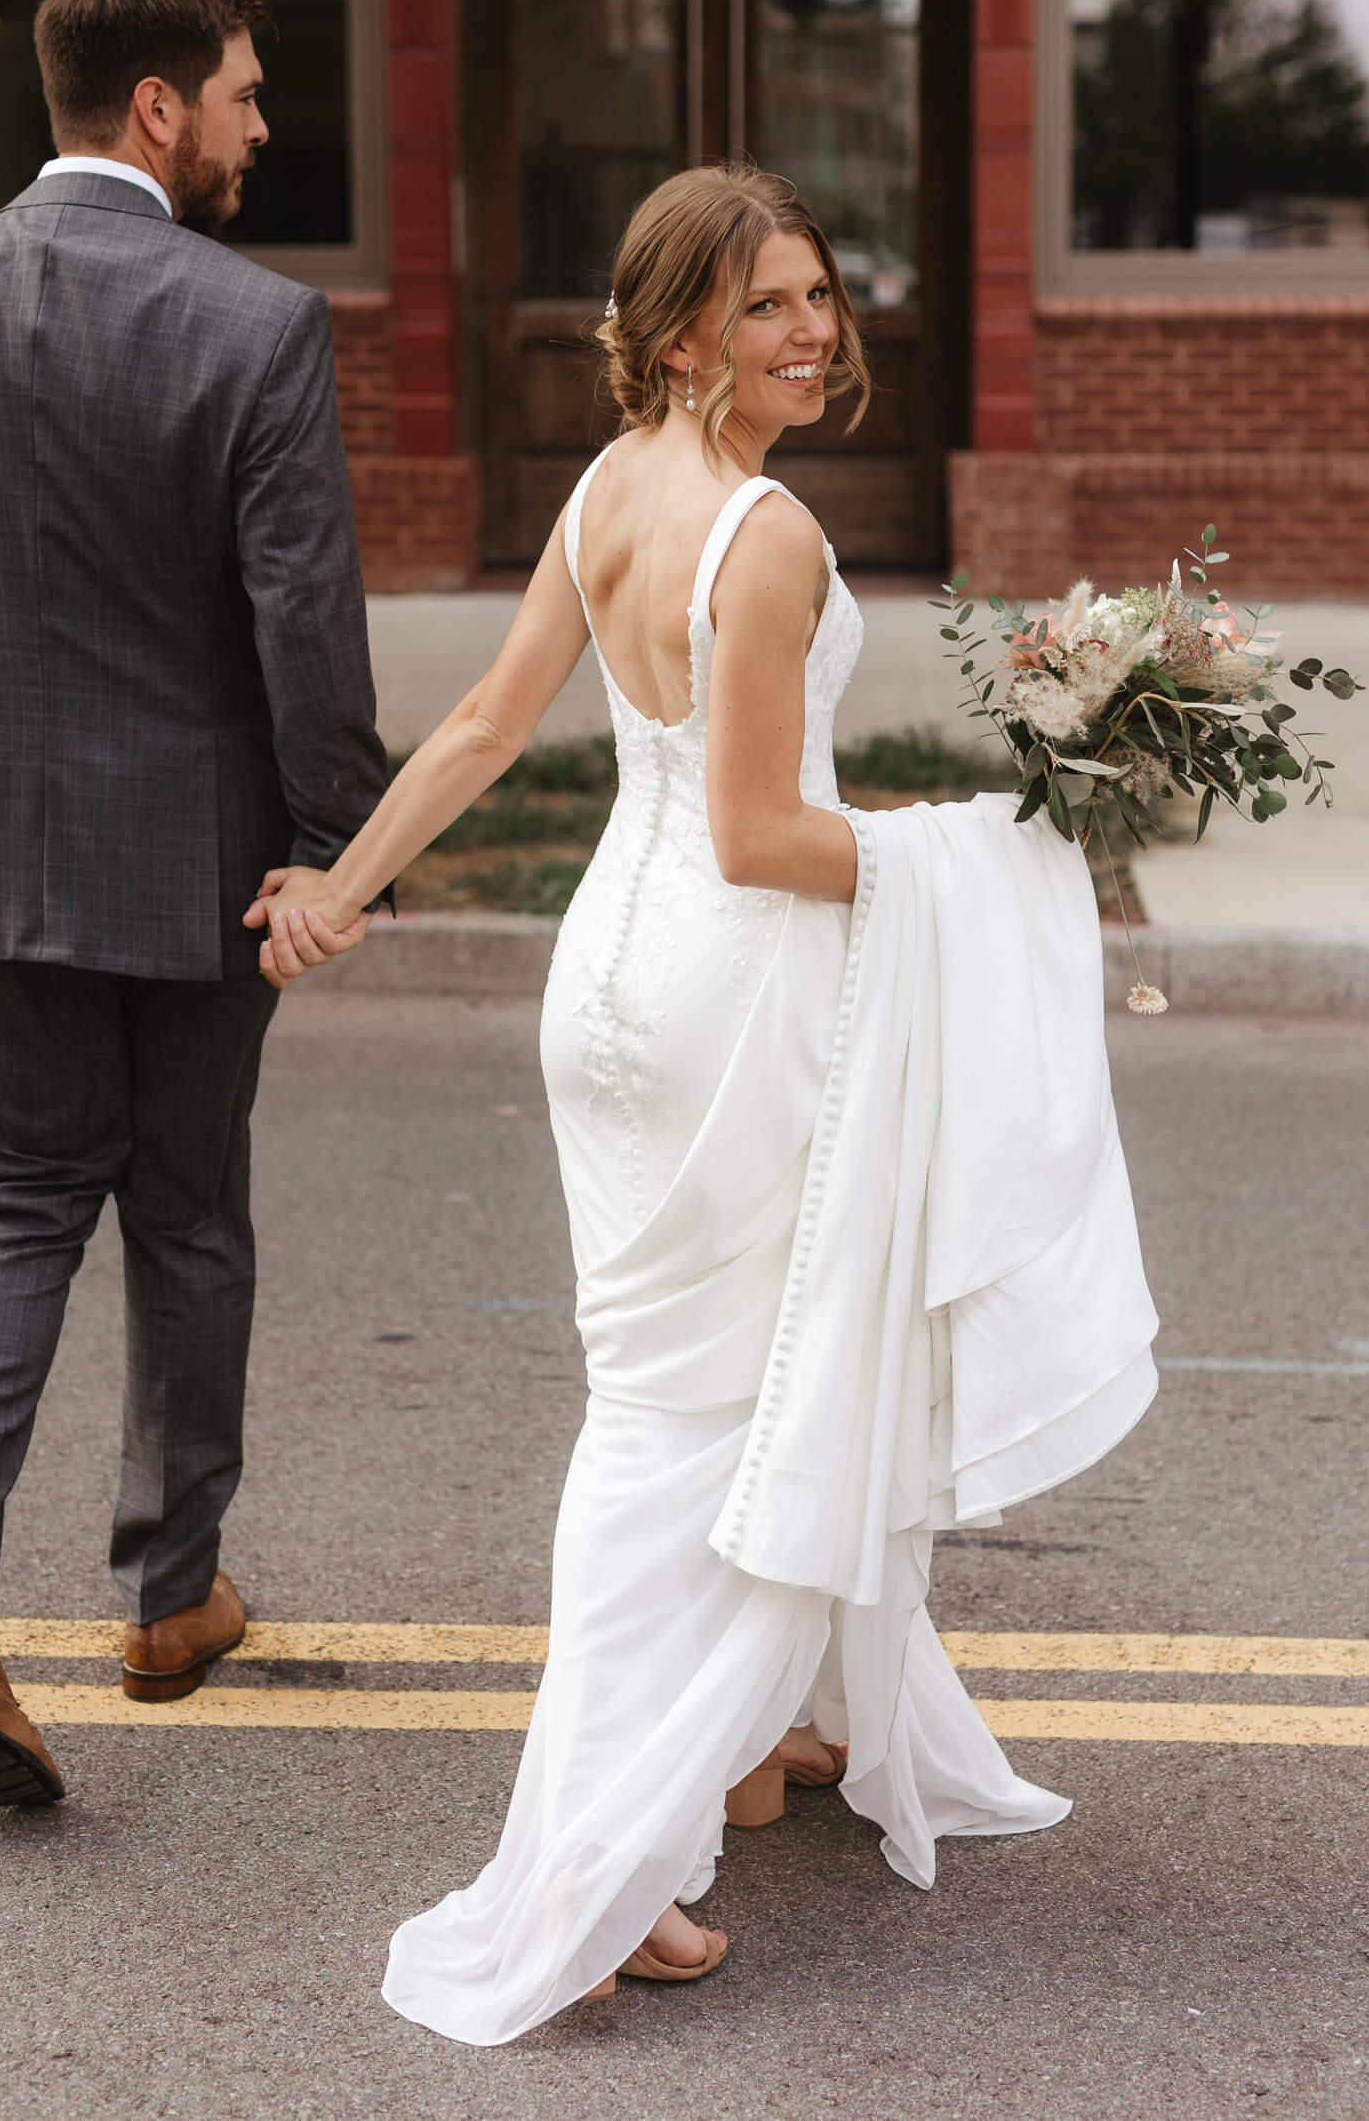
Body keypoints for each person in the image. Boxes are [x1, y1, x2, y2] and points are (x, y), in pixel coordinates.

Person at [250, 164, 1158, 2041]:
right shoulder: (769, 539)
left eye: (824, 297)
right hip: (735, 1003)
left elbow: (493, 729)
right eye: (771, 307)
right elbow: (761, 838)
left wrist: (346, 879)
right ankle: (613, 1859)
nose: (816, 332)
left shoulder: (605, 492)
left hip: (609, 991)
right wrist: (983, 853)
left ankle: (764, 1740)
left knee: (682, 1395)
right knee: (701, 1425)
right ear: (680, 334)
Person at [0, 0, 387, 1808]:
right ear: (157, 107)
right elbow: (307, 620)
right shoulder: (258, 326)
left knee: (13, 1197)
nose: (257, 128)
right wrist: (332, 844)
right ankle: (167, 1598)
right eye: (241, 95)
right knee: (188, 1210)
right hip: (198, 869)